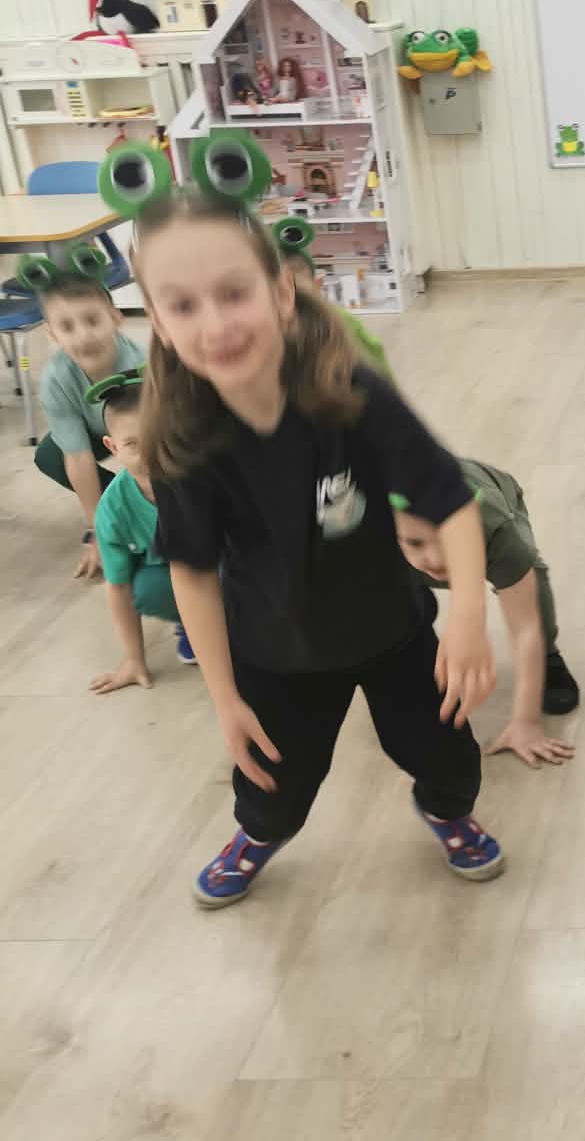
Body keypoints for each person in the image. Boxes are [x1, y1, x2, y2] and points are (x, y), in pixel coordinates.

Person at [129, 182, 502, 908]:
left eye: (233, 293)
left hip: (392, 631)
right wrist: (224, 698)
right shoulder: (182, 438)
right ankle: (259, 834)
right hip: (275, 654)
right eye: (183, 305)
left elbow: (451, 502)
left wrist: (467, 617)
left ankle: (446, 811)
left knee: (446, 753)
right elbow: (193, 572)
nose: (215, 324)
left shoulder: (350, 392)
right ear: (159, 323)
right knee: (274, 783)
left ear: (281, 293)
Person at [393, 458, 580, 768]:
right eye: (415, 542)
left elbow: (525, 627)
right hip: (395, 559)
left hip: (499, 504)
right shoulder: (371, 533)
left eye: (449, 540)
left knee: (532, 586)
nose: (435, 559)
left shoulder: (499, 532)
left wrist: (525, 722)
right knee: (395, 606)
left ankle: (549, 657)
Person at [86, 368, 196, 692]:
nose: (149, 453)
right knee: (145, 589)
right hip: (171, 576)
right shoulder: (113, 510)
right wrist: (133, 659)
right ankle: (191, 622)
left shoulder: (203, 476)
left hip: (221, 569)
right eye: (132, 443)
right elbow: (118, 587)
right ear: (112, 447)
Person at [30, 269, 145, 578]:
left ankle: (150, 502)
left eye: (93, 320)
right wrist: (99, 530)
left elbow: (168, 438)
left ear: (115, 318)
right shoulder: (55, 379)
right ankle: (119, 507)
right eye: (67, 327)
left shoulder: (143, 365)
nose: (83, 336)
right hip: (100, 433)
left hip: (148, 434)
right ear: (52, 334)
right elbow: (77, 457)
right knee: (51, 454)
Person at [275, 227, 394, 380]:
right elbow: (376, 358)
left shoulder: (339, 321)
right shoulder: (340, 319)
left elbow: (374, 362)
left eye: (301, 297)